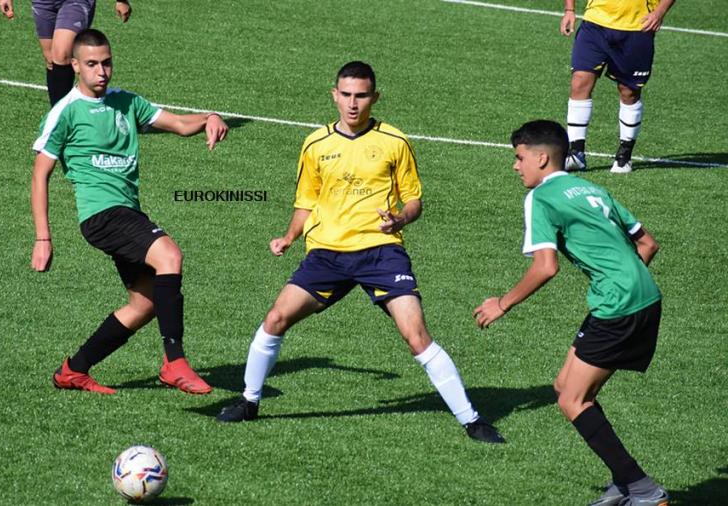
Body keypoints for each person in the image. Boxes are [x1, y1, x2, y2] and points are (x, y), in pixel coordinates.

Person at [215, 61, 504, 444]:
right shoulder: (316, 144)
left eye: (361, 96)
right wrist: (288, 236)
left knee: (416, 335)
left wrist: (400, 219)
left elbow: (414, 200)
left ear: (375, 97)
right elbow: (306, 201)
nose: (353, 104)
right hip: (327, 254)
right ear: (334, 95)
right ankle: (249, 402)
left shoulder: (394, 142)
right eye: (347, 95)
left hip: (381, 252)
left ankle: (472, 420)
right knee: (276, 318)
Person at [474, 120, 667, 504]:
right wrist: (623, 281)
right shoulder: (592, 189)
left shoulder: (541, 198)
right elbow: (648, 244)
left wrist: (502, 303)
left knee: (572, 400)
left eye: (519, 158)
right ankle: (624, 483)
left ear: (542, 159)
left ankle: (644, 490)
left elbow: (546, 267)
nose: (516, 166)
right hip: (643, 296)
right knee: (565, 386)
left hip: (617, 306)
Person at [31, 29, 229, 395]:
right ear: (75, 66)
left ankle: (74, 370)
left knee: (145, 304)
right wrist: (43, 238)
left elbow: (179, 124)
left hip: (126, 213)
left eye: (106, 63)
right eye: (92, 64)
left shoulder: (126, 102)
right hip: (102, 215)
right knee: (169, 255)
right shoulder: (66, 112)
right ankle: (174, 363)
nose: (101, 72)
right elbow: (40, 175)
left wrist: (210, 117)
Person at [561, 0, 676, 173]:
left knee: (629, 92)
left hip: (637, 27)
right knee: (579, 82)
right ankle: (576, 154)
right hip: (594, 24)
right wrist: (569, 9)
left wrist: (659, 12)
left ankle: (624, 156)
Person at [0, 0, 132, 106]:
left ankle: (64, 120)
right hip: (43, 3)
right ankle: (57, 118)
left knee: (61, 54)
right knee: (51, 60)